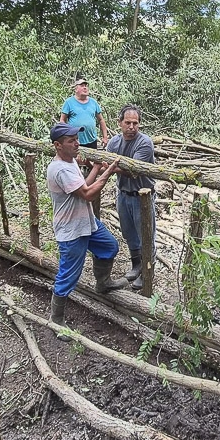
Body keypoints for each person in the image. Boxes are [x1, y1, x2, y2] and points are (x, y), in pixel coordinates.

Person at [47, 122, 129, 324]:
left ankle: (103, 283)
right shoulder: (60, 169)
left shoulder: (70, 161)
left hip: (86, 222)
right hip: (72, 230)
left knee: (109, 246)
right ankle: (56, 319)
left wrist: (97, 169)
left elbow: (83, 185)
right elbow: (88, 194)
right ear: (58, 145)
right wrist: (107, 172)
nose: (77, 144)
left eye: (77, 139)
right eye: (71, 141)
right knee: (68, 276)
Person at [105, 105, 156, 289]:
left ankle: (147, 272)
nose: (132, 127)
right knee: (129, 233)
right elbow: (105, 160)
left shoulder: (145, 143)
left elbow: (132, 170)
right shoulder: (114, 143)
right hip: (123, 194)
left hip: (142, 196)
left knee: (146, 236)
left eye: (135, 123)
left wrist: (110, 166)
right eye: (128, 122)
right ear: (120, 123)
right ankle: (136, 265)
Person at [59, 78, 110, 149]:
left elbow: (101, 120)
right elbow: (62, 120)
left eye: (86, 85)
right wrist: (66, 136)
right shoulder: (69, 102)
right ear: (76, 89)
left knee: (92, 159)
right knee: (76, 159)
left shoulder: (93, 102)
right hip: (75, 141)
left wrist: (105, 137)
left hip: (91, 140)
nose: (85, 87)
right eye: (82, 85)